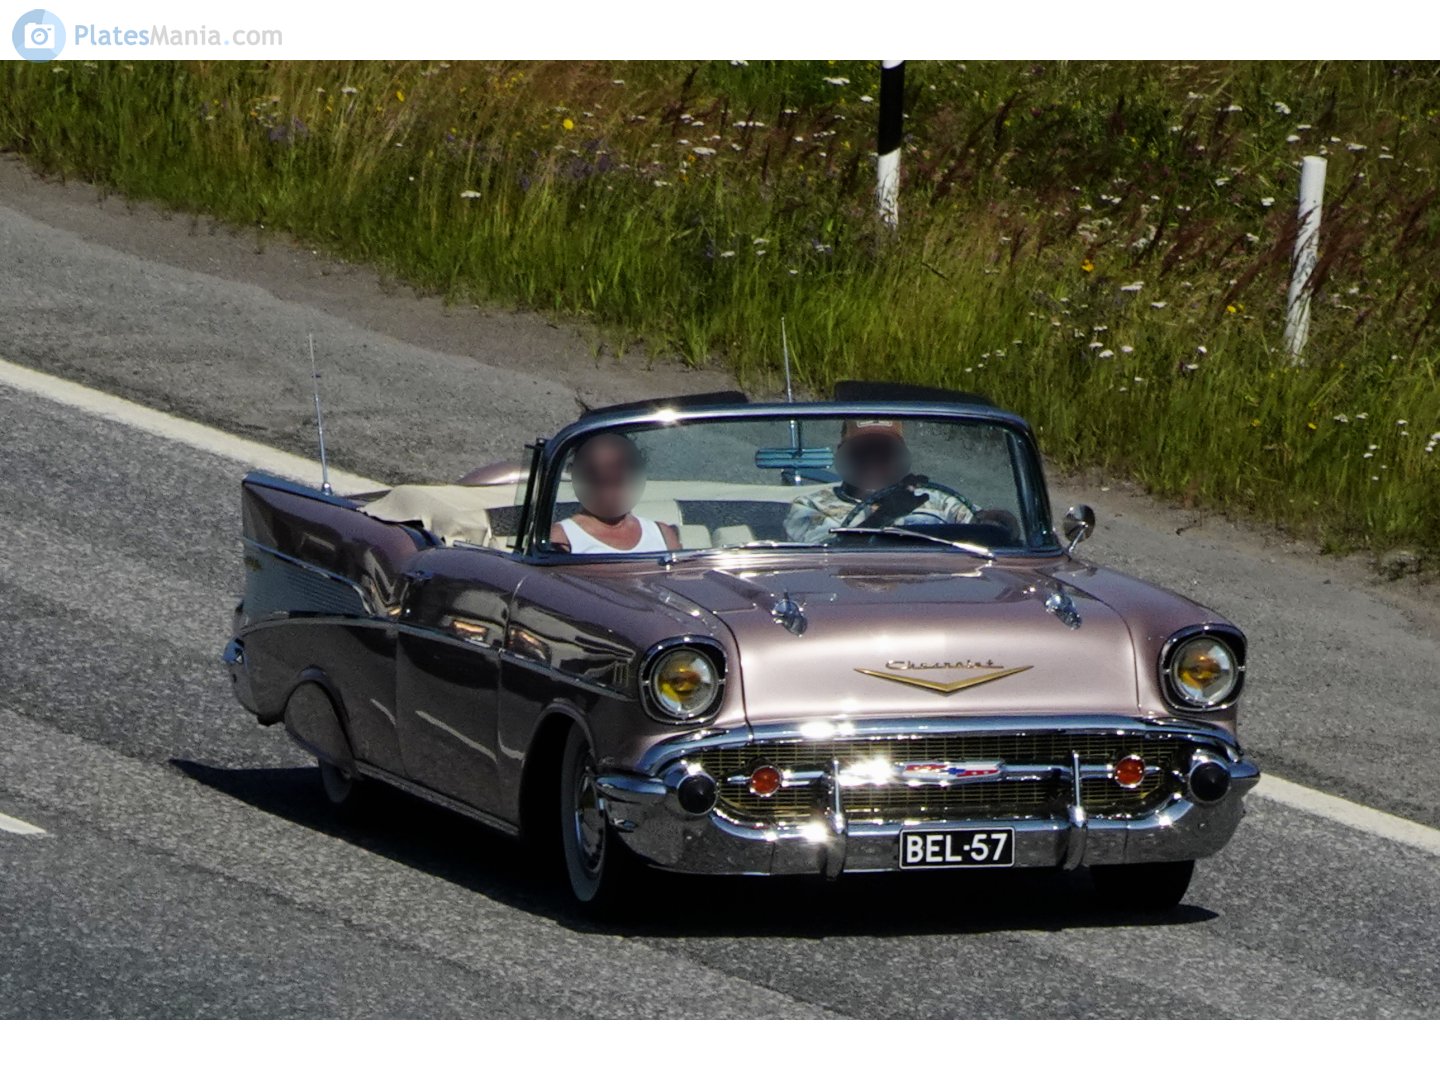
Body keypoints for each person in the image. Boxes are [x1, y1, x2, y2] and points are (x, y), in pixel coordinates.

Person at [784, 419, 976, 544]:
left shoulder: (940, 502)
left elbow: (983, 530)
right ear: (843, 452)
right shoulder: (811, 506)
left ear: (900, 455)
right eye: (863, 451)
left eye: (885, 451)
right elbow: (827, 558)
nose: (873, 460)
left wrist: (991, 520)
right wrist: (884, 516)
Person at [550, 432, 681, 554]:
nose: (609, 476)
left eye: (620, 467)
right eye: (596, 468)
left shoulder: (663, 535)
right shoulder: (561, 538)